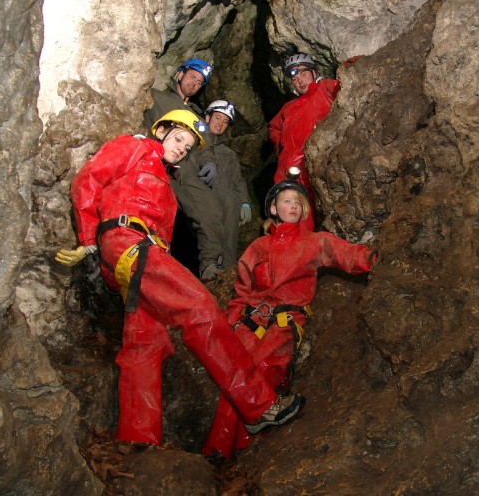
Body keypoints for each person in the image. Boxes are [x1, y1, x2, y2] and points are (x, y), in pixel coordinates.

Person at [54, 109, 304, 446]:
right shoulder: (134, 147)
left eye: (187, 147)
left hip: (140, 259)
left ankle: (138, 441)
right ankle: (260, 406)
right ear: (162, 131)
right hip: (130, 243)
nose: (181, 148)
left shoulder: (167, 185)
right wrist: (86, 241)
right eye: (178, 139)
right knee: (200, 308)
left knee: (146, 344)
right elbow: (88, 179)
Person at [202, 175, 377, 461]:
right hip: (252, 320)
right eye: (286, 200)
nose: (293, 205)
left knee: (264, 367)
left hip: (285, 320)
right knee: (236, 375)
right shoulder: (257, 247)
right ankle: (218, 449)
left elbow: (345, 253)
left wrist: (374, 258)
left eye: (298, 202)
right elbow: (242, 291)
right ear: (273, 209)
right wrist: (231, 323)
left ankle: (244, 449)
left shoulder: (314, 242)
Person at [144, 58, 227, 280]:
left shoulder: (198, 117)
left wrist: (209, 163)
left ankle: (210, 266)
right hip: (158, 166)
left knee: (211, 212)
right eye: (192, 76)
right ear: (180, 74)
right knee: (155, 219)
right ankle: (152, 272)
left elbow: (205, 146)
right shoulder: (156, 98)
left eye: (199, 82)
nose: (194, 83)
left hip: (187, 173)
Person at [268, 53, 341, 231]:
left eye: (303, 73)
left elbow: (347, 87)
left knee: (328, 214)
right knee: (292, 218)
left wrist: (351, 66)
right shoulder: (288, 108)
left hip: (319, 163)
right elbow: (274, 127)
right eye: (294, 77)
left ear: (314, 73)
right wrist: (282, 146)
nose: (299, 80)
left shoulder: (324, 89)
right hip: (289, 170)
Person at [201, 100, 252, 269]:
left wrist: (245, 202)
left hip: (229, 208)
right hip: (206, 205)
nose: (220, 124)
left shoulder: (228, 154)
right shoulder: (194, 144)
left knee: (229, 246)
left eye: (225, 122)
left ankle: (228, 275)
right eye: (217, 118)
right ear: (207, 117)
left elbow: (238, 181)